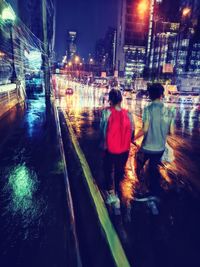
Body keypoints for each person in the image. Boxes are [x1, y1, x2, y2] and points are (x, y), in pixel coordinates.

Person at [134, 83, 175, 197]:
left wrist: (132, 138)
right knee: (153, 168)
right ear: (161, 95)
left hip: (147, 148)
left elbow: (144, 129)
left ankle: (142, 187)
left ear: (150, 95)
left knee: (138, 163)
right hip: (160, 149)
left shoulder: (148, 109)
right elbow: (171, 132)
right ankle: (153, 191)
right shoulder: (169, 111)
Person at [100, 89, 134, 209]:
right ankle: (119, 194)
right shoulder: (128, 114)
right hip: (124, 149)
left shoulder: (106, 112)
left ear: (110, 100)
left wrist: (103, 143)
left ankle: (111, 194)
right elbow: (132, 131)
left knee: (108, 170)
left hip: (109, 148)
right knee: (119, 170)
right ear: (121, 100)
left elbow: (102, 129)